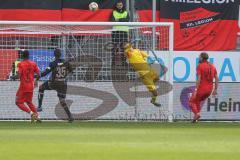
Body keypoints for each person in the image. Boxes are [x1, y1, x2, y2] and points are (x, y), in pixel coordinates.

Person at [37, 48, 74, 122]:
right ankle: (70, 116)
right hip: (63, 84)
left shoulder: (53, 63)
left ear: (54, 55)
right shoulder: (65, 62)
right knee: (62, 100)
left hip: (54, 83)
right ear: (60, 54)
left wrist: (37, 75)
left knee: (41, 87)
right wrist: (64, 75)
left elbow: (45, 73)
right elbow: (72, 72)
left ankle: (39, 106)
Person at [189, 52, 218, 123]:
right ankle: (196, 119)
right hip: (209, 90)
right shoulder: (213, 66)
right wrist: (215, 89)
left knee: (191, 101)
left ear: (202, 58)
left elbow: (199, 78)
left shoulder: (200, 66)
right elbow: (217, 78)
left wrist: (196, 89)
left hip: (202, 88)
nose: (199, 58)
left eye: (199, 57)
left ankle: (197, 114)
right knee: (197, 101)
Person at [14, 50, 41, 123]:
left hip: (23, 86)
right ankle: (37, 116)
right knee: (29, 102)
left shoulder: (21, 64)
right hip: (30, 86)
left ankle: (31, 113)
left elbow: (18, 75)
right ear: (29, 56)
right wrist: (36, 81)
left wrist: (13, 77)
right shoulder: (33, 64)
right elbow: (39, 75)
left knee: (18, 102)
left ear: (22, 55)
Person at [110, 1, 130, 68]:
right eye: (118, 5)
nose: (119, 6)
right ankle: (113, 64)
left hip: (124, 32)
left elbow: (127, 20)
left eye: (120, 5)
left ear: (122, 5)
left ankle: (124, 63)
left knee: (124, 48)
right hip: (115, 32)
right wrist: (122, 19)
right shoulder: (113, 12)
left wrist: (118, 19)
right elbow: (111, 21)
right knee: (114, 48)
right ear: (116, 6)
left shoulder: (126, 12)